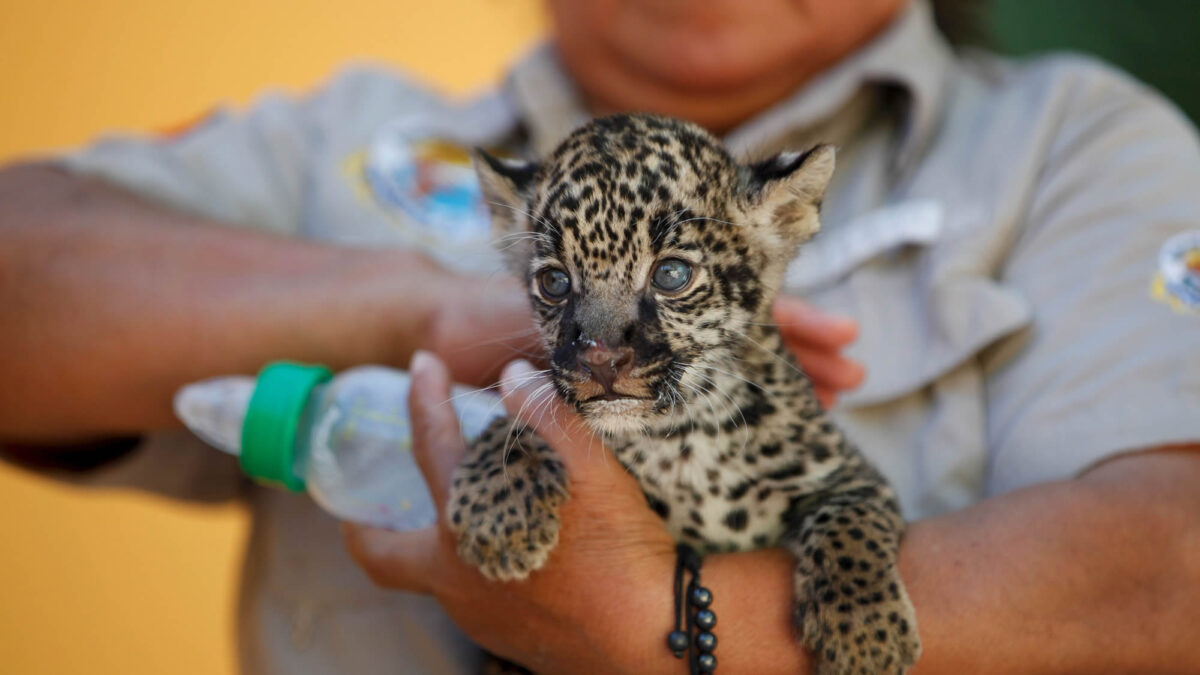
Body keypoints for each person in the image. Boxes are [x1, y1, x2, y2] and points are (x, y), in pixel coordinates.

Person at [2, 0, 1198, 672]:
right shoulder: (349, 140)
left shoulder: (1073, 147)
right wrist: (425, 315)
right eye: (559, 281)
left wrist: (668, 627)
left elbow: (1175, 560)